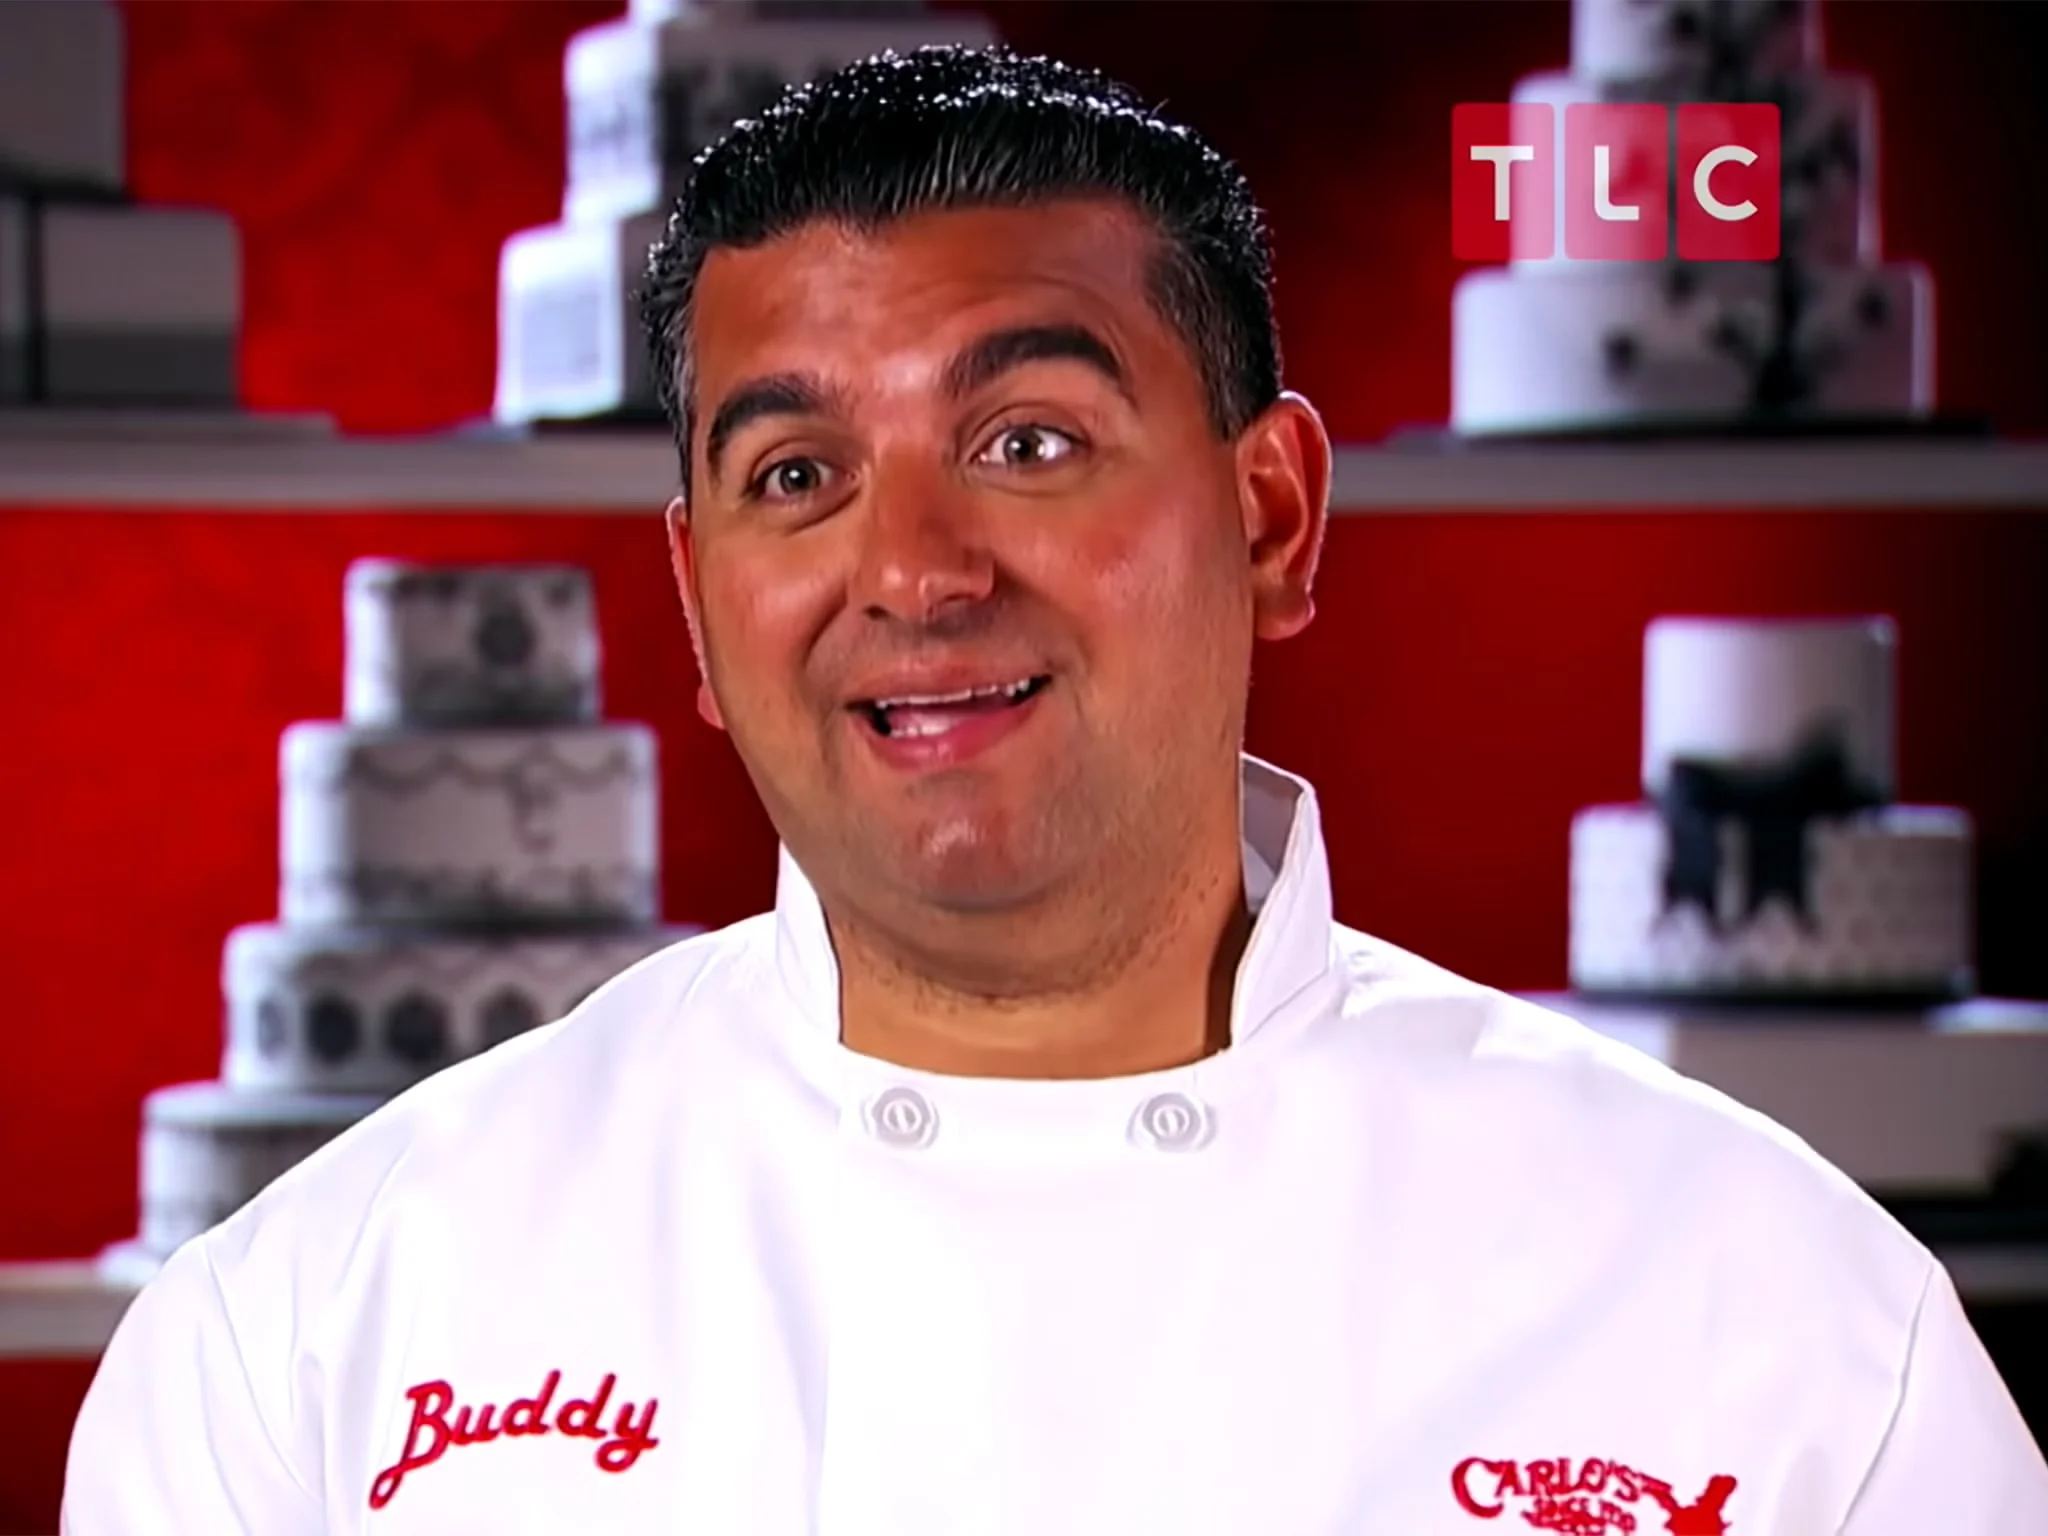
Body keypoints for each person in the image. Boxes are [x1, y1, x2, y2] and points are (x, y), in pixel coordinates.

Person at [63, 43, 2046, 1535]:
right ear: (695, 592)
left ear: (1269, 512)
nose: (912, 573)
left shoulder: (1777, 1327)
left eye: (1026, 441)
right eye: (794, 476)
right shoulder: (309, 1339)